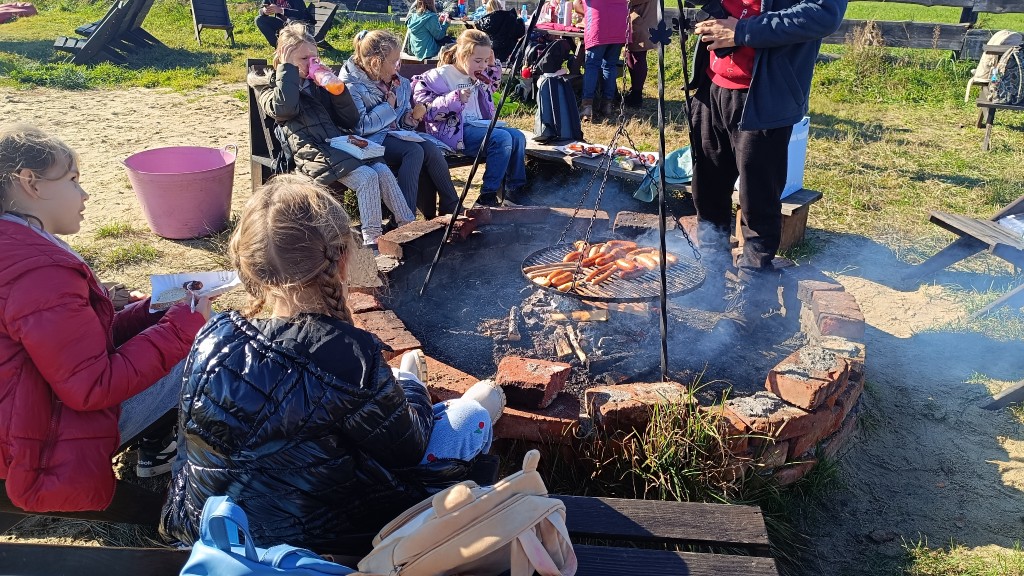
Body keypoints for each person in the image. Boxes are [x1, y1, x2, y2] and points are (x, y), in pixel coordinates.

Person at [160, 175, 502, 550]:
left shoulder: (213, 335)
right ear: (341, 258)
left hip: (210, 532)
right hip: (318, 544)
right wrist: (411, 385)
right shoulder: (352, 357)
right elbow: (411, 448)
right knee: (477, 407)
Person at [0, 124, 210, 516]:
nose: (84, 194)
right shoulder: (39, 272)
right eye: (73, 180)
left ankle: (157, 450)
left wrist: (150, 311)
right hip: (37, 443)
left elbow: (73, 348)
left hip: (23, 418)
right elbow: (92, 386)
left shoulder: (16, 247)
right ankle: (168, 472)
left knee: (174, 336)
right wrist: (185, 322)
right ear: (31, 183)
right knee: (201, 350)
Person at [689, 0, 846, 328]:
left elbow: (822, 13)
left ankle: (753, 297)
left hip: (765, 95)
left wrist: (743, 31)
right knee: (708, 197)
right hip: (712, 85)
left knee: (758, 204)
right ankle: (710, 279)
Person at [248, 22, 415, 250]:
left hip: (337, 145)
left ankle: (408, 227)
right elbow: (284, 109)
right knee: (367, 177)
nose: (311, 64)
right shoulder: (268, 86)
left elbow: (349, 121)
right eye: (303, 59)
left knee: (382, 170)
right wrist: (287, 70)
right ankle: (372, 240)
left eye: (314, 58)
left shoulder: (318, 83)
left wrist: (338, 90)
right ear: (284, 59)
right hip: (310, 152)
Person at [339, 29, 460, 219]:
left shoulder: (398, 82)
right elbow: (359, 127)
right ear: (376, 63)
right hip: (367, 142)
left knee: (430, 149)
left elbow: (401, 123)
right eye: (394, 62)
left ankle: (453, 208)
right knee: (413, 151)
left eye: (399, 60)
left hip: (394, 137)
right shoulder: (352, 86)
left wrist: (411, 118)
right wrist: (388, 107)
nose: (398, 67)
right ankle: (404, 218)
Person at [412, 30, 527, 207]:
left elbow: (493, 86)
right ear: (462, 55)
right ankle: (486, 197)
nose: (482, 66)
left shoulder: (478, 74)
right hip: (452, 133)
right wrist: (453, 99)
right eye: (477, 61)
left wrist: (493, 65)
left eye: (485, 60)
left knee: (517, 136)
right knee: (502, 139)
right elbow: (424, 109)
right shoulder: (439, 77)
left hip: (478, 126)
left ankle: (514, 191)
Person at [579, 0, 629, 121]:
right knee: (610, 65)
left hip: (599, 21)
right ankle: (607, 105)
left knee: (592, 65)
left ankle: (587, 107)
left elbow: (577, 4)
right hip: (620, 20)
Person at [624, 0, 657, 108]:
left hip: (641, 20)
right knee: (631, 56)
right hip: (638, 19)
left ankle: (636, 95)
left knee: (637, 57)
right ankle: (635, 90)